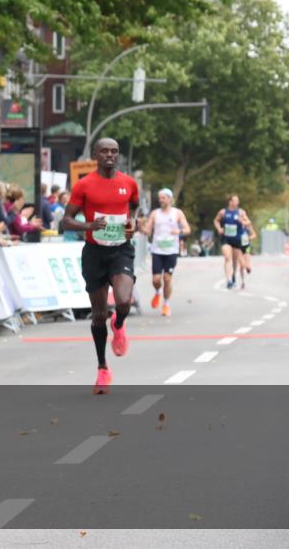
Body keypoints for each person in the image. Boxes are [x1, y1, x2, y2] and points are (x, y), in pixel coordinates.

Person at [60, 138, 139, 394]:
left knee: (124, 301)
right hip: (94, 252)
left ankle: (119, 324)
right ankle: (102, 367)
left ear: (118, 156)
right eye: (104, 151)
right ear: (95, 155)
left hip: (120, 250)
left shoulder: (128, 183)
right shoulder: (84, 185)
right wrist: (88, 226)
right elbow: (66, 221)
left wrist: (133, 223)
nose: (109, 155)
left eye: (114, 151)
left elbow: (135, 207)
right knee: (98, 315)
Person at [143, 188, 191, 317]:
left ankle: (166, 304)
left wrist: (179, 232)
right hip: (157, 250)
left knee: (167, 278)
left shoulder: (177, 213)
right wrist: (140, 226)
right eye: (159, 198)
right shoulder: (154, 214)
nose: (161, 200)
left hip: (171, 250)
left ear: (170, 199)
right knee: (156, 279)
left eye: (163, 198)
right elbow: (147, 231)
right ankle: (158, 292)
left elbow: (187, 229)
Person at [213, 195, 250, 290]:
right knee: (227, 257)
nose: (237, 202)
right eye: (235, 200)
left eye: (237, 200)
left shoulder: (241, 212)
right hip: (226, 238)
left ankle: (233, 276)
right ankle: (229, 279)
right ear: (230, 202)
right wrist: (219, 228)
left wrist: (242, 221)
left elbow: (248, 223)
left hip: (237, 239)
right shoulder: (223, 212)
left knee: (234, 261)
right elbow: (216, 220)